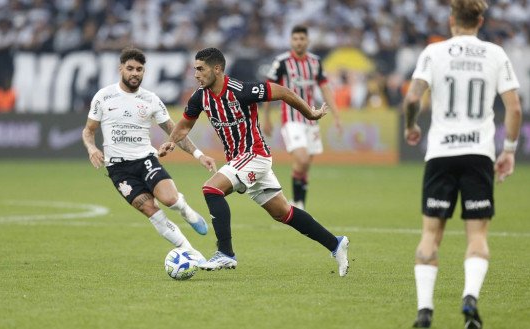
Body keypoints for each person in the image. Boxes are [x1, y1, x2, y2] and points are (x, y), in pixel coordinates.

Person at [158, 47, 350, 276]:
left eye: (200, 69)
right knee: (283, 213)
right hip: (240, 159)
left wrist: (310, 113)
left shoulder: (241, 90)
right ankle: (336, 244)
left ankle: (225, 254)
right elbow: (185, 124)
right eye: (195, 69)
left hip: (255, 154)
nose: (196, 74)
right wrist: (171, 141)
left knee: (211, 189)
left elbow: (283, 92)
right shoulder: (200, 96)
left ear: (217, 69)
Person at [403, 1, 522, 328]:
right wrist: (508, 151)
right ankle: (470, 298)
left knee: (430, 234)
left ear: (451, 19)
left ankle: (424, 311)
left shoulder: (433, 52)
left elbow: (412, 98)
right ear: (480, 20)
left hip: (441, 153)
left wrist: (411, 126)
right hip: (478, 154)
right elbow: (513, 108)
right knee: (477, 236)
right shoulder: (496, 54)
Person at [82, 47, 217, 260]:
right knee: (150, 209)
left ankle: (185, 211)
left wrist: (199, 155)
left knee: (169, 199)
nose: (135, 73)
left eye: (139, 69)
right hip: (118, 169)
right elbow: (89, 130)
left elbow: (176, 132)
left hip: (145, 160)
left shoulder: (151, 99)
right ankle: (191, 252)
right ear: (121, 69)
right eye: (130, 68)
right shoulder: (103, 97)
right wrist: (92, 148)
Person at [262, 24, 342, 210]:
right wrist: (266, 117)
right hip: (291, 119)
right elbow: (268, 90)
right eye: (295, 39)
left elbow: (324, 88)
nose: (298, 42)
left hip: (312, 118)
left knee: (304, 165)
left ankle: (299, 203)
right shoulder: (281, 62)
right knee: (302, 158)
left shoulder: (315, 62)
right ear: (291, 41)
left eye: (302, 39)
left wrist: (336, 115)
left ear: (308, 41)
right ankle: (297, 203)